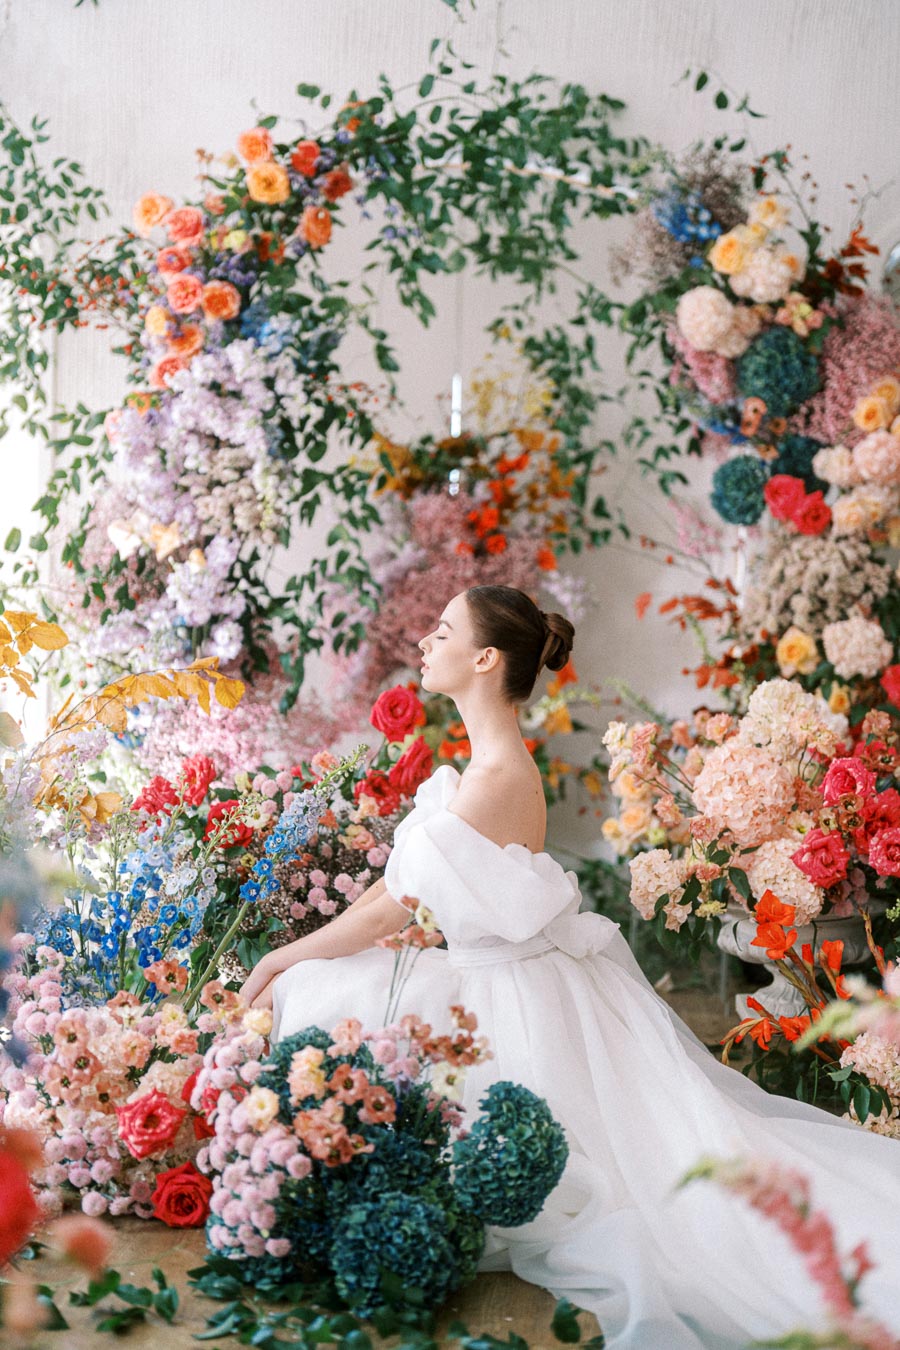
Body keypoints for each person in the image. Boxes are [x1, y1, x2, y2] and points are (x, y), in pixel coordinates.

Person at [240, 585, 900, 1349]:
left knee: (312, 986)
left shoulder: (492, 781)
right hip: (494, 971)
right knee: (331, 990)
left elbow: (390, 905)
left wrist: (281, 956)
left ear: (484, 658)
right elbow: (432, 904)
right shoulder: (485, 768)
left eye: (442, 629)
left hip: (507, 992)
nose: (425, 640)